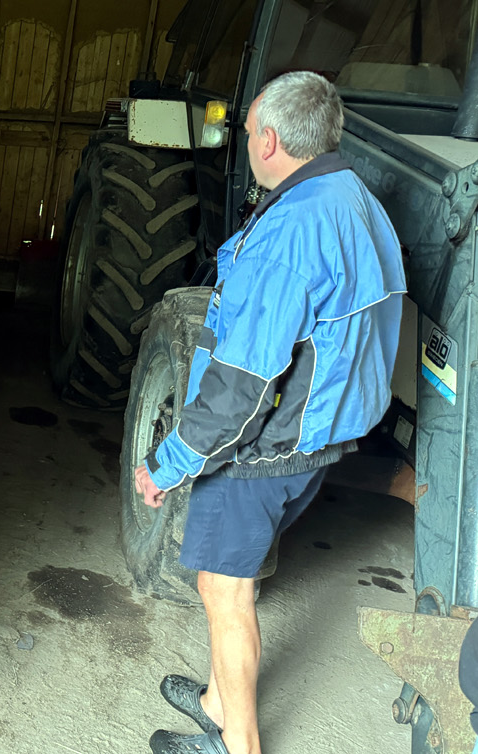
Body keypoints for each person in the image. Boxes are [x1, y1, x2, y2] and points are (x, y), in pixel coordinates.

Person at [134, 70, 407, 754]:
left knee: (223, 590)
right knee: (226, 576)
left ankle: (238, 742)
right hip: (321, 435)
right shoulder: (353, 198)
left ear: (271, 140)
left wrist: (168, 464)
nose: (248, 138)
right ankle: (216, 698)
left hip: (265, 449)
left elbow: (240, 390)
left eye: (251, 128)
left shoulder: (291, 234)